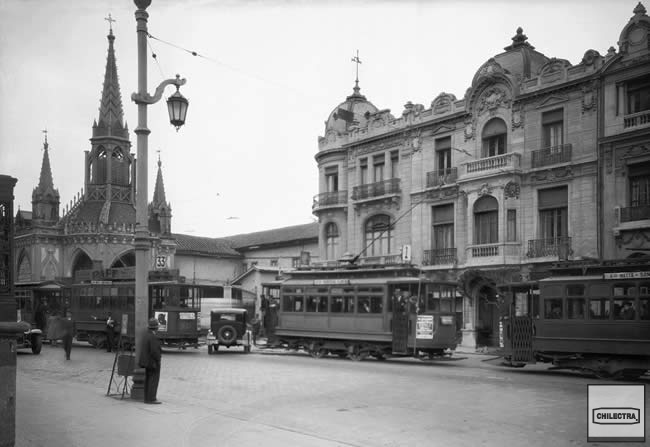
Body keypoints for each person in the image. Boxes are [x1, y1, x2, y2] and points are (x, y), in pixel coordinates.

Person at [138, 318, 162, 404]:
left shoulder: (146, 335)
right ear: (156, 327)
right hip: (153, 363)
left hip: (147, 362)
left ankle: (147, 398)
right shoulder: (153, 337)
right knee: (153, 380)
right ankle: (151, 398)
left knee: (148, 379)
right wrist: (158, 359)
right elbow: (154, 351)